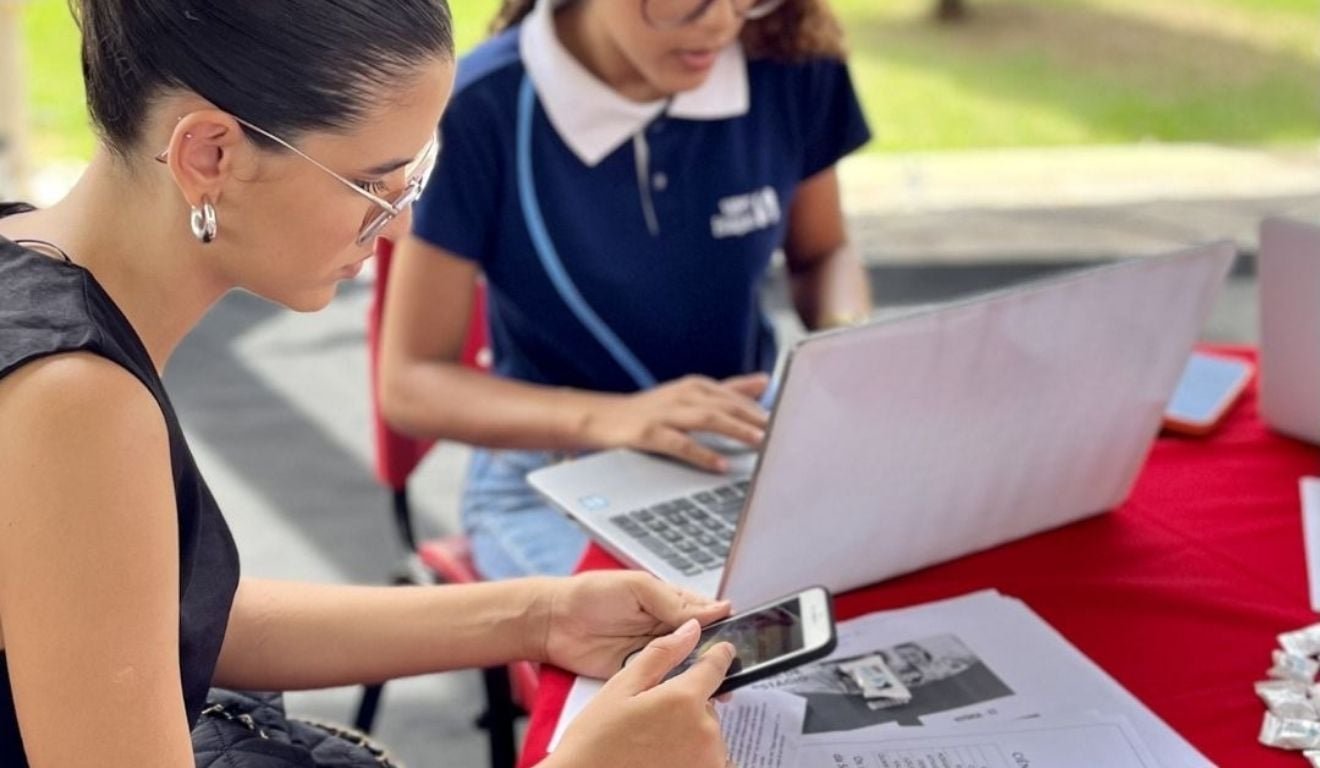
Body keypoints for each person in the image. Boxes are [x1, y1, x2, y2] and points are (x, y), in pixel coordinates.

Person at [0, 2, 740, 766]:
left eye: (417, 176)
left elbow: (157, 617)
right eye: (377, 182)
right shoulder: (72, 401)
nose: (398, 226)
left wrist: (540, 614)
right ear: (210, 154)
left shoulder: (25, 261)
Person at [379, 0, 875, 581]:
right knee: (690, 644)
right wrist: (612, 419)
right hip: (551, 476)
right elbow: (410, 386)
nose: (721, 22)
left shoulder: (791, 61)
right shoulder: (477, 107)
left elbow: (822, 254)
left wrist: (851, 346)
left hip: (746, 442)